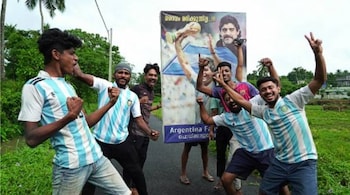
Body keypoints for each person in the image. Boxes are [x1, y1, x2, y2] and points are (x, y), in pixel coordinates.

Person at [17, 28, 131, 195]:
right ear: (56, 54)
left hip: (97, 158)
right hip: (70, 167)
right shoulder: (35, 86)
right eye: (71, 53)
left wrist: (110, 104)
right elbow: (31, 139)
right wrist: (69, 117)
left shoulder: (68, 85)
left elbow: (86, 123)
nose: (76, 58)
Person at [214, 32, 326, 195]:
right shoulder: (262, 111)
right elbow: (240, 100)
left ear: (278, 88)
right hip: (280, 162)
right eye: (263, 89)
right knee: (265, 191)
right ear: (259, 93)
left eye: (271, 88)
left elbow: (319, 80)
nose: (267, 91)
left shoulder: (294, 100)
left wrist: (318, 54)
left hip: (304, 161)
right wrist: (224, 85)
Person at [73, 62, 160, 195]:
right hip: (100, 142)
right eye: (120, 72)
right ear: (115, 74)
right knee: (90, 178)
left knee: (137, 172)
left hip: (122, 142)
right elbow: (80, 76)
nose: (123, 75)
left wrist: (149, 132)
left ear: (130, 76)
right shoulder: (104, 85)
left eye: (126, 73)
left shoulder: (132, 97)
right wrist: (73, 59)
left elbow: (138, 119)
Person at [174, 29, 215, 185]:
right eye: (202, 70)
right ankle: (183, 174)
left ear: (213, 72)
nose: (204, 72)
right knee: (187, 149)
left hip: (207, 124)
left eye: (207, 70)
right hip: (193, 123)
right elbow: (183, 62)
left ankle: (205, 172)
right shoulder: (194, 81)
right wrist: (178, 43)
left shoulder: (217, 86)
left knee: (205, 150)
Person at [124, 63, 162, 192]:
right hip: (134, 132)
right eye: (150, 75)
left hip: (144, 133)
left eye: (155, 75)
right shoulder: (137, 89)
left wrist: (156, 107)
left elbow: (144, 110)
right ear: (145, 76)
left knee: (140, 162)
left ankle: (133, 187)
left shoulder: (151, 92)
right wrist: (137, 102)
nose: (153, 77)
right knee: (131, 164)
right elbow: (125, 104)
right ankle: (126, 188)